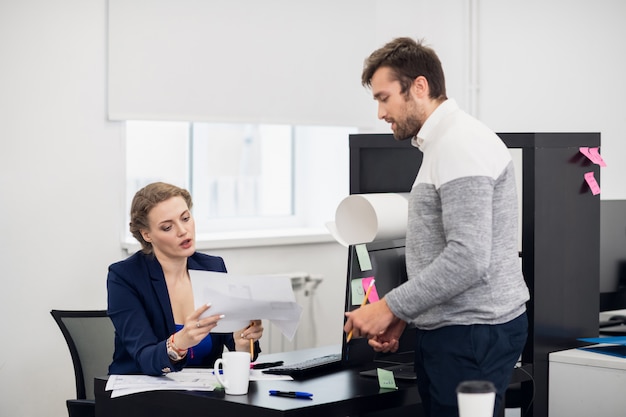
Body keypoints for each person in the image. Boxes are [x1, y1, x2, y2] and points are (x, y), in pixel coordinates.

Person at [343, 37, 530, 417]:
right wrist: (404, 316)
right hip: (459, 330)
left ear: (419, 87)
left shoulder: (459, 144)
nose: (380, 112)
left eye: (383, 98)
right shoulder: (444, 143)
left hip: (470, 333)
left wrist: (388, 307)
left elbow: (468, 257)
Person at [107, 182, 264, 375]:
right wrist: (179, 343)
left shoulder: (213, 267)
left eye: (186, 218)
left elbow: (234, 345)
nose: (183, 230)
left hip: (203, 395)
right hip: (142, 394)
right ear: (147, 234)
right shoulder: (125, 277)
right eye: (167, 227)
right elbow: (144, 358)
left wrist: (242, 343)